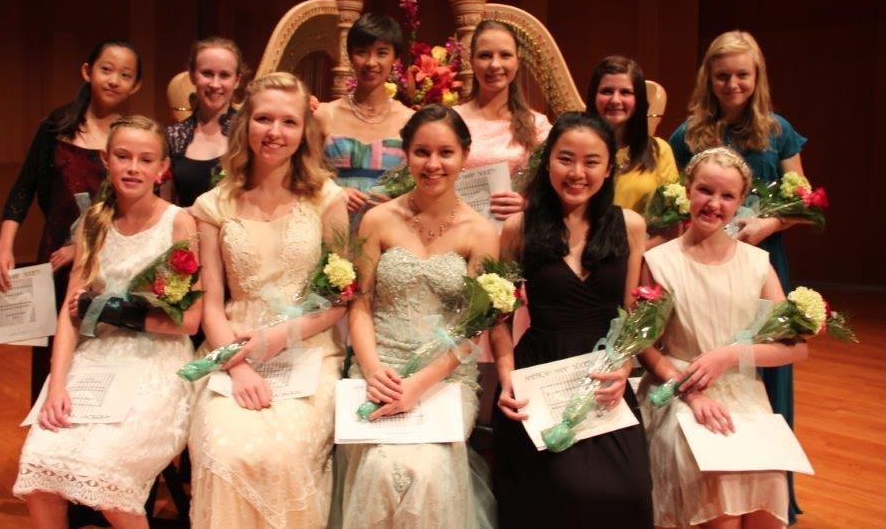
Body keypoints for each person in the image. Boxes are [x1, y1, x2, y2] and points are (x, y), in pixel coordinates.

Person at [12, 115, 202, 526]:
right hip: (97, 358)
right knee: (38, 466)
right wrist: (57, 385)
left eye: (145, 159)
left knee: (105, 464)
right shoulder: (94, 224)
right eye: (123, 156)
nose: (133, 167)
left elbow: (187, 321)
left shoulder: (178, 222)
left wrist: (120, 313)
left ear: (162, 169)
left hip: (157, 361)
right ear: (106, 159)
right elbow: (70, 313)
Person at [187, 72, 348, 528]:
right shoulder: (213, 205)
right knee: (226, 447)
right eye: (263, 119)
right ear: (245, 125)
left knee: (282, 453)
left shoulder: (327, 200)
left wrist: (284, 334)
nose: (275, 133)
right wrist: (237, 367)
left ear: (304, 131)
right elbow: (212, 305)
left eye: (288, 122)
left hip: (308, 350)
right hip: (231, 346)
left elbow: (341, 299)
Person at [334, 104, 499, 528]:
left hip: (444, 377)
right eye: (422, 152)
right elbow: (360, 304)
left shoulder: (481, 232)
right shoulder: (377, 220)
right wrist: (372, 370)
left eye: (445, 152)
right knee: (378, 468)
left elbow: (472, 328)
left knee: (424, 472)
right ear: (405, 154)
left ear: (464, 155)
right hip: (379, 364)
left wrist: (420, 385)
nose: (433, 164)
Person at [668, 30, 808, 522]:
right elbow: (679, 201)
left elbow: (802, 199)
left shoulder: (776, 129)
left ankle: (773, 489)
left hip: (759, 258)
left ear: (757, 77)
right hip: (702, 258)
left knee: (767, 372)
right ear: (709, 77)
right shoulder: (686, 135)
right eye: (722, 75)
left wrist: (765, 224)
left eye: (742, 75)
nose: (732, 84)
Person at [491, 113, 653, 528]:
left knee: (630, 490)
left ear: (609, 168)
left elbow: (630, 317)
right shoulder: (517, 229)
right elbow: (498, 318)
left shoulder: (631, 226)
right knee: (566, 486)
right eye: (566, 159)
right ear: (548, 163)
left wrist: (624, 366)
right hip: (538, 372)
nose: (577, 173)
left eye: (591, 161)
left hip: (604, 376)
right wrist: (507, 375)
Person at [636, 147, 808, 528]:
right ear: (688, 189)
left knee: (767, 497)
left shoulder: (757, 264)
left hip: (743, 392)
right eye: (705, 191)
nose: (714, 204)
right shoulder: (659, 261)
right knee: (720, 502)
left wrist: (729, 356)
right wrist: (689, 390)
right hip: (679, 387)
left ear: (741, 202)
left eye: (727, 196)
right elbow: (643, 344)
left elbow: (796, 347)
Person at [0, 39, 143, 402]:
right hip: (54, 258)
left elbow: (134, 206)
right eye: (106, 69)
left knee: (101, 348)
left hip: (109, 259)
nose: (114, 80)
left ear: (136, 85)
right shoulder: (54, 128)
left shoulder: (130, 137)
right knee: (52, 351)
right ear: (87, 71)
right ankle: (48, 433)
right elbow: (22, 191)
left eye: (125, 75)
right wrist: (3, 247)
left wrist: (83, 246)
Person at [316, 13, 414, 217]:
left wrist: (399, 199)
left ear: (395, 59)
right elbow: (303, 173)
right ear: (350, 56)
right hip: (334, 221)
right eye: (362, 52)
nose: (371, 62)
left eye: (381, 53)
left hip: (390, 226)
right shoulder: (325, 114)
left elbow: (419, 183)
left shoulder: (410, 120)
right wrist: (334, 193)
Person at [455, 19, 552, 221]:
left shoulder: (538, 126)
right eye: (485, 56)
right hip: (456, 228)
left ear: (517, 61)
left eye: (505, 55)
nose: (495, 64)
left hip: (513, 232)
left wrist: (528, 203)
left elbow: (556, 187)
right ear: (471, 61)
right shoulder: (451, 120)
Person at [587, 55, 679, 216]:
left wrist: (639, 242)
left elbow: (671, 219)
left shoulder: (660, 150)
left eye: (625, 92)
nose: (615, 100)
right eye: (607, 91)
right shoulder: (577, 149)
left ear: (639, 100)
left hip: (644, 241)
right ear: (593, 97)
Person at [164, 37, 245, 207]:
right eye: (207, 73)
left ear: (237, 80)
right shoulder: (172, 137)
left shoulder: (249, 131)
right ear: (193, 76)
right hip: (187, 231)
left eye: (224, 75)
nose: (215, 84)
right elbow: (165, 204)